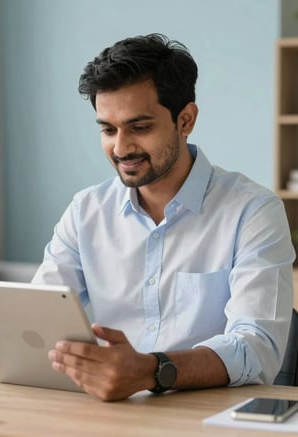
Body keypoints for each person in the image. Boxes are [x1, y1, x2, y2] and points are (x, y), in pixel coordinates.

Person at [32, 33, 295, 401]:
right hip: (108, 409)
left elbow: (257, 349)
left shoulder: (253, 211)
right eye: (108, 129)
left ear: (185, 120)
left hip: (207, 414)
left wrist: (151, 371)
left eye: (140, 128)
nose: (121, 148)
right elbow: (36, 317)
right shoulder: (85, 211)